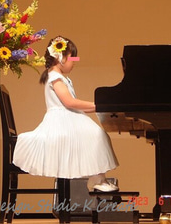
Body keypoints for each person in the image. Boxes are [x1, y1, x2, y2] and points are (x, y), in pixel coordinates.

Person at [13, 36, 119, 192]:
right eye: (72, 58)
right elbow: (69, 102)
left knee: (96, 134)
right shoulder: (55, 77)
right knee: (95, 134)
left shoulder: (62, 78)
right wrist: (98, 106)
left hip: (68, 117)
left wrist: (98, 107)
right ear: (60, 58)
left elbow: (75, 105)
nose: (75, 62)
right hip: (61, 120)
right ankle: (97, 178)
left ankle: (98, 177)